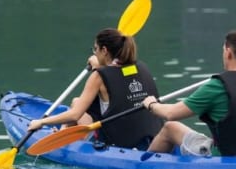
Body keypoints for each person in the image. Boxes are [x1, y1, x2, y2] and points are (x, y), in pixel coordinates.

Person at [142, 29, 236, 159]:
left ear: (228, 52)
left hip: (227, 156)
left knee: (170, 127)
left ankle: (142, 166)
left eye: (223, 49)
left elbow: (171, 113)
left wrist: (151, 104)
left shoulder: (218, 87)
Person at [27, 28, 163, 150]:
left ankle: (67, 140)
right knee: (77, 101)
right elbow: (118, 75)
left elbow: (75, 115)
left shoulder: (98, 76)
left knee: (76, 105)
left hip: (119, 143)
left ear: (104, 51)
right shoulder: (141, 67)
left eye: (95, 49)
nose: (94, 53)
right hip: (151, 138)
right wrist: (100, 65)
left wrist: (41, 122)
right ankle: (63, 133)